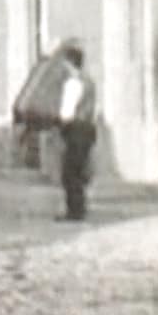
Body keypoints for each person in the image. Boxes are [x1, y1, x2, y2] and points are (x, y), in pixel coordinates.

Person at [56, 44, 98, 222]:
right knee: (79, 170)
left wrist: (61, 125)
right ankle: (78, 208)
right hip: (87, 127)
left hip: (75, 128)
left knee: (70, 172)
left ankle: (74, 210)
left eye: (65, 63)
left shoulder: (72, 83)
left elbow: (67, 111)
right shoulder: (89, 81)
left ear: (70, 63)